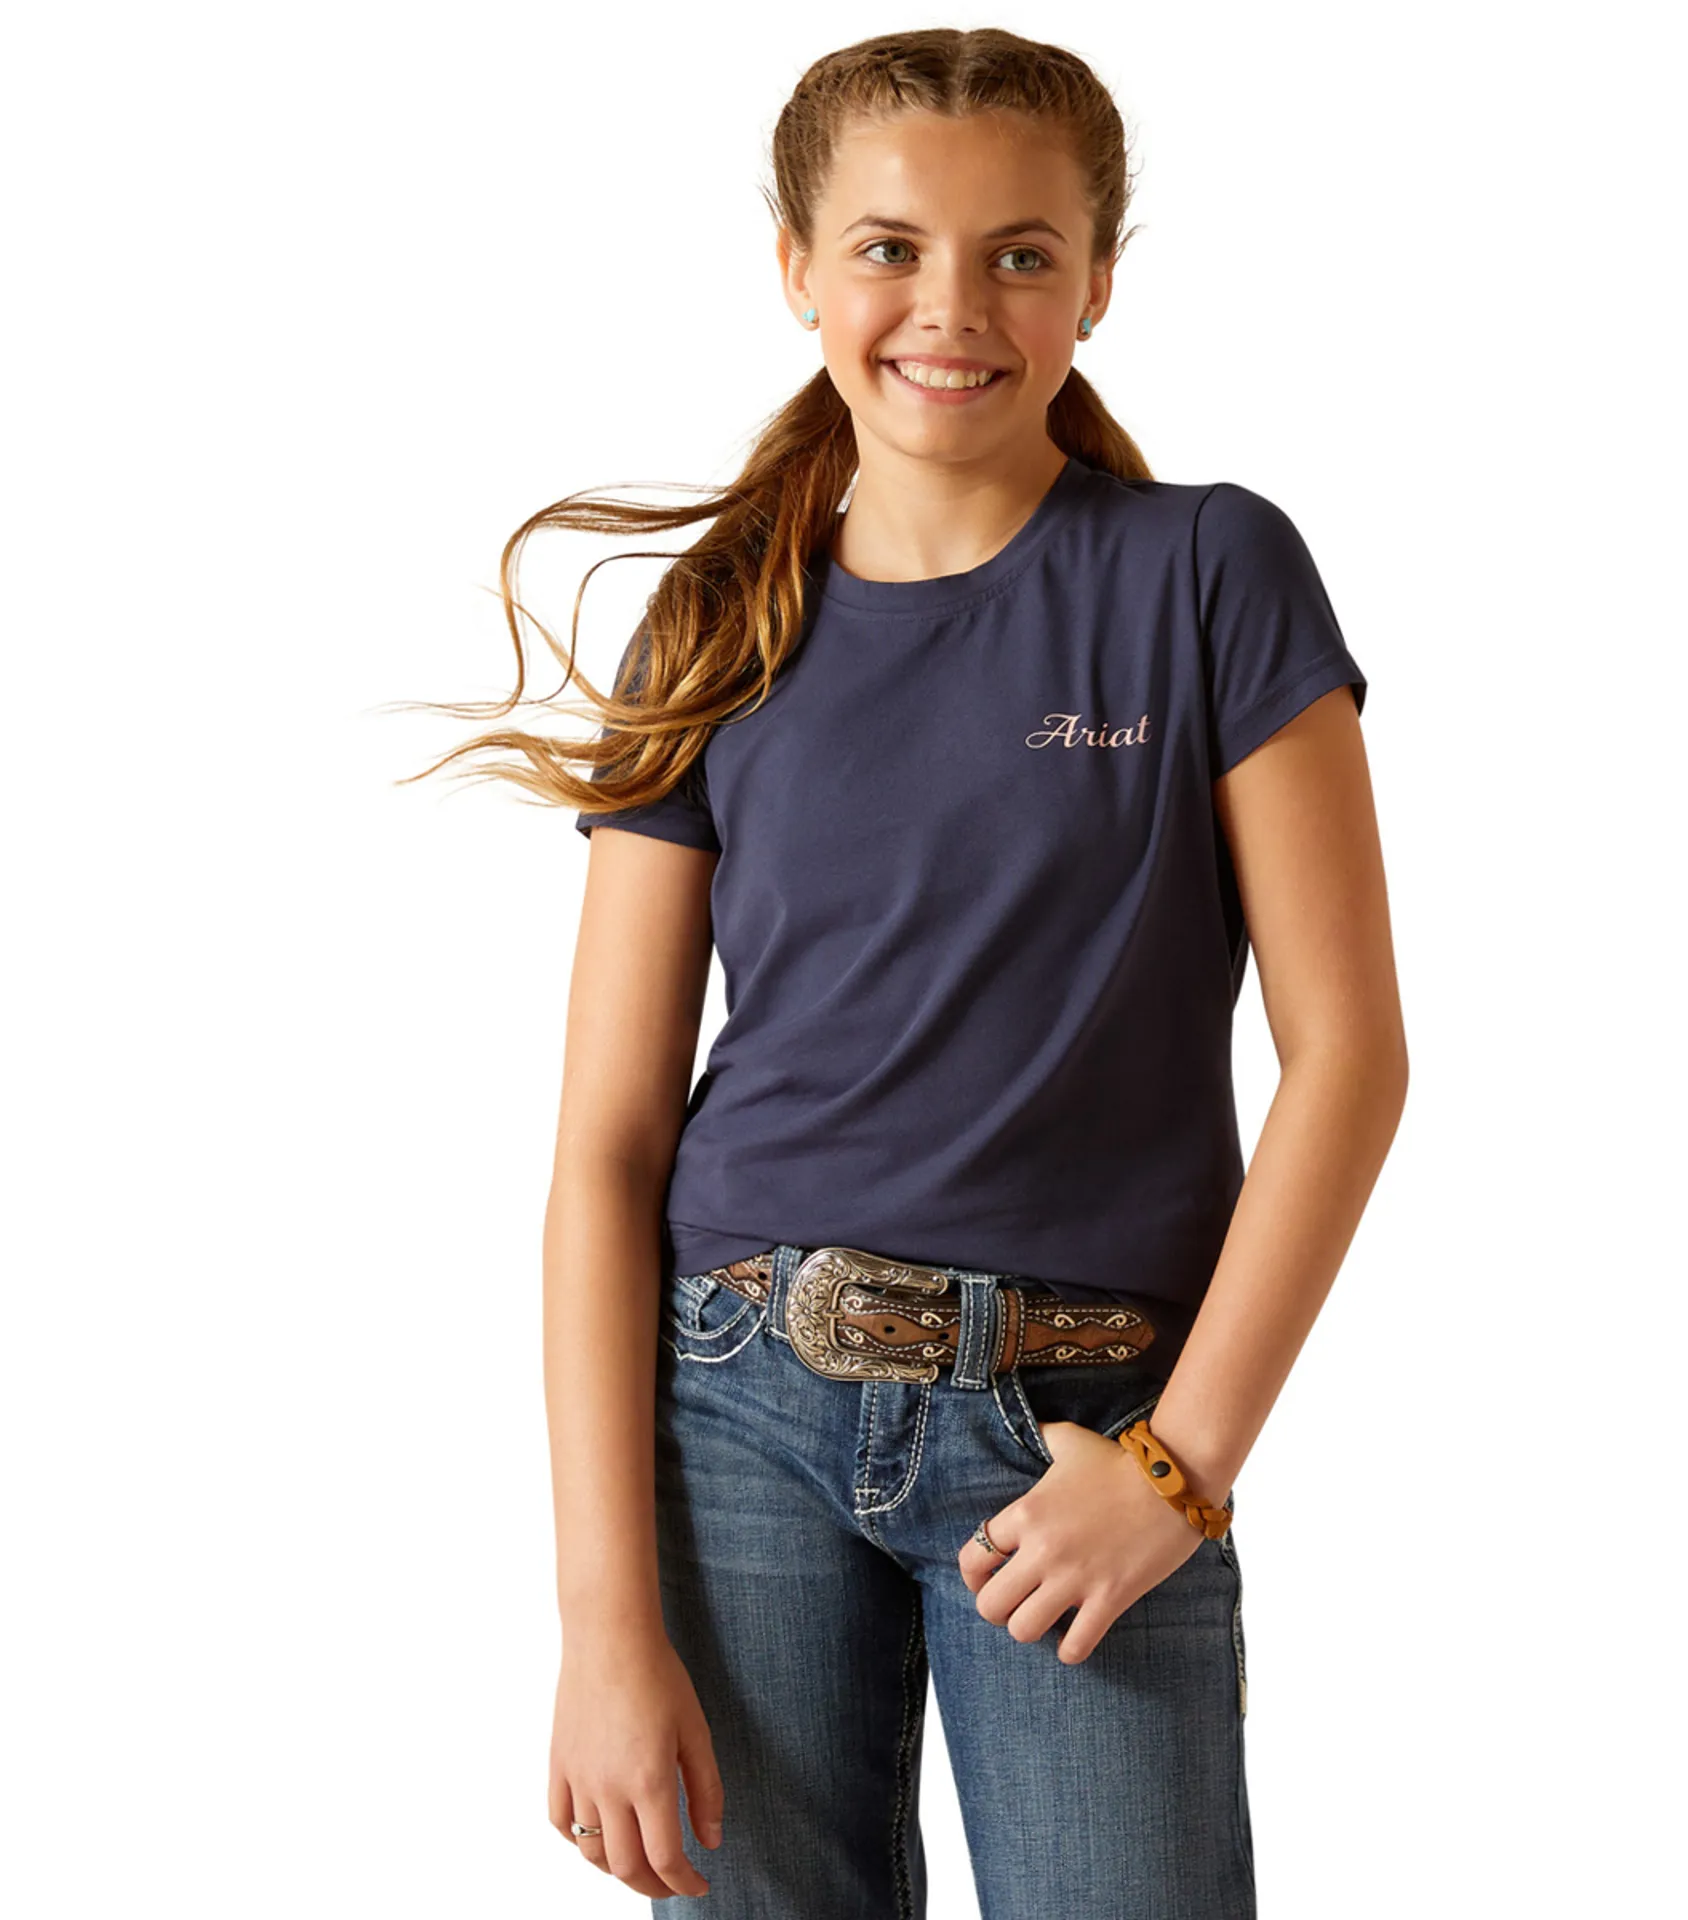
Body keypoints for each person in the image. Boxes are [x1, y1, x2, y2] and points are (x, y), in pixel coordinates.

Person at [422, 27, 1406, 1916]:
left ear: (1098, 281)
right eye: (889, 247)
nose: (951, 305)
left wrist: (1181, 1467)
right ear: (797, 267)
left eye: (1020, 253)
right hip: (736, 1413)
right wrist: (603, 1624)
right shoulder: (719, 618)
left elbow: (1350, 1055)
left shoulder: (1211, 573)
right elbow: (609, 1149)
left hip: (1086, 1433)